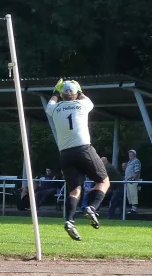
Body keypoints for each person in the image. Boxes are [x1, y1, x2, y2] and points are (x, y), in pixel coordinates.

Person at [45, 79, 110, 241]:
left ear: (61, 95)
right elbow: (85, 98)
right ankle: (92, 208)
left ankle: (69, 220)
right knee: (103, 181)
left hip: (65, 154)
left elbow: (51, 103)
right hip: (83, 149)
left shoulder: (54, 108)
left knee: (75, 189)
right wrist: (79, 89)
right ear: (75, 94)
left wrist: (55, 91)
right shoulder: (82, 105)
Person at [125, 149, 142, 214]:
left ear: (134, 154)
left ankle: (134, 209)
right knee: (129, 195)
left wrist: (133, 179)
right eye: (129, 153)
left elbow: (137, 171)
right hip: (128, 181)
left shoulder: (136, 161)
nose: (130, 154)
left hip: (133, 181)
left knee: (133, 195)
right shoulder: (129, 162)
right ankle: (132, 209)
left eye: (131, 153)